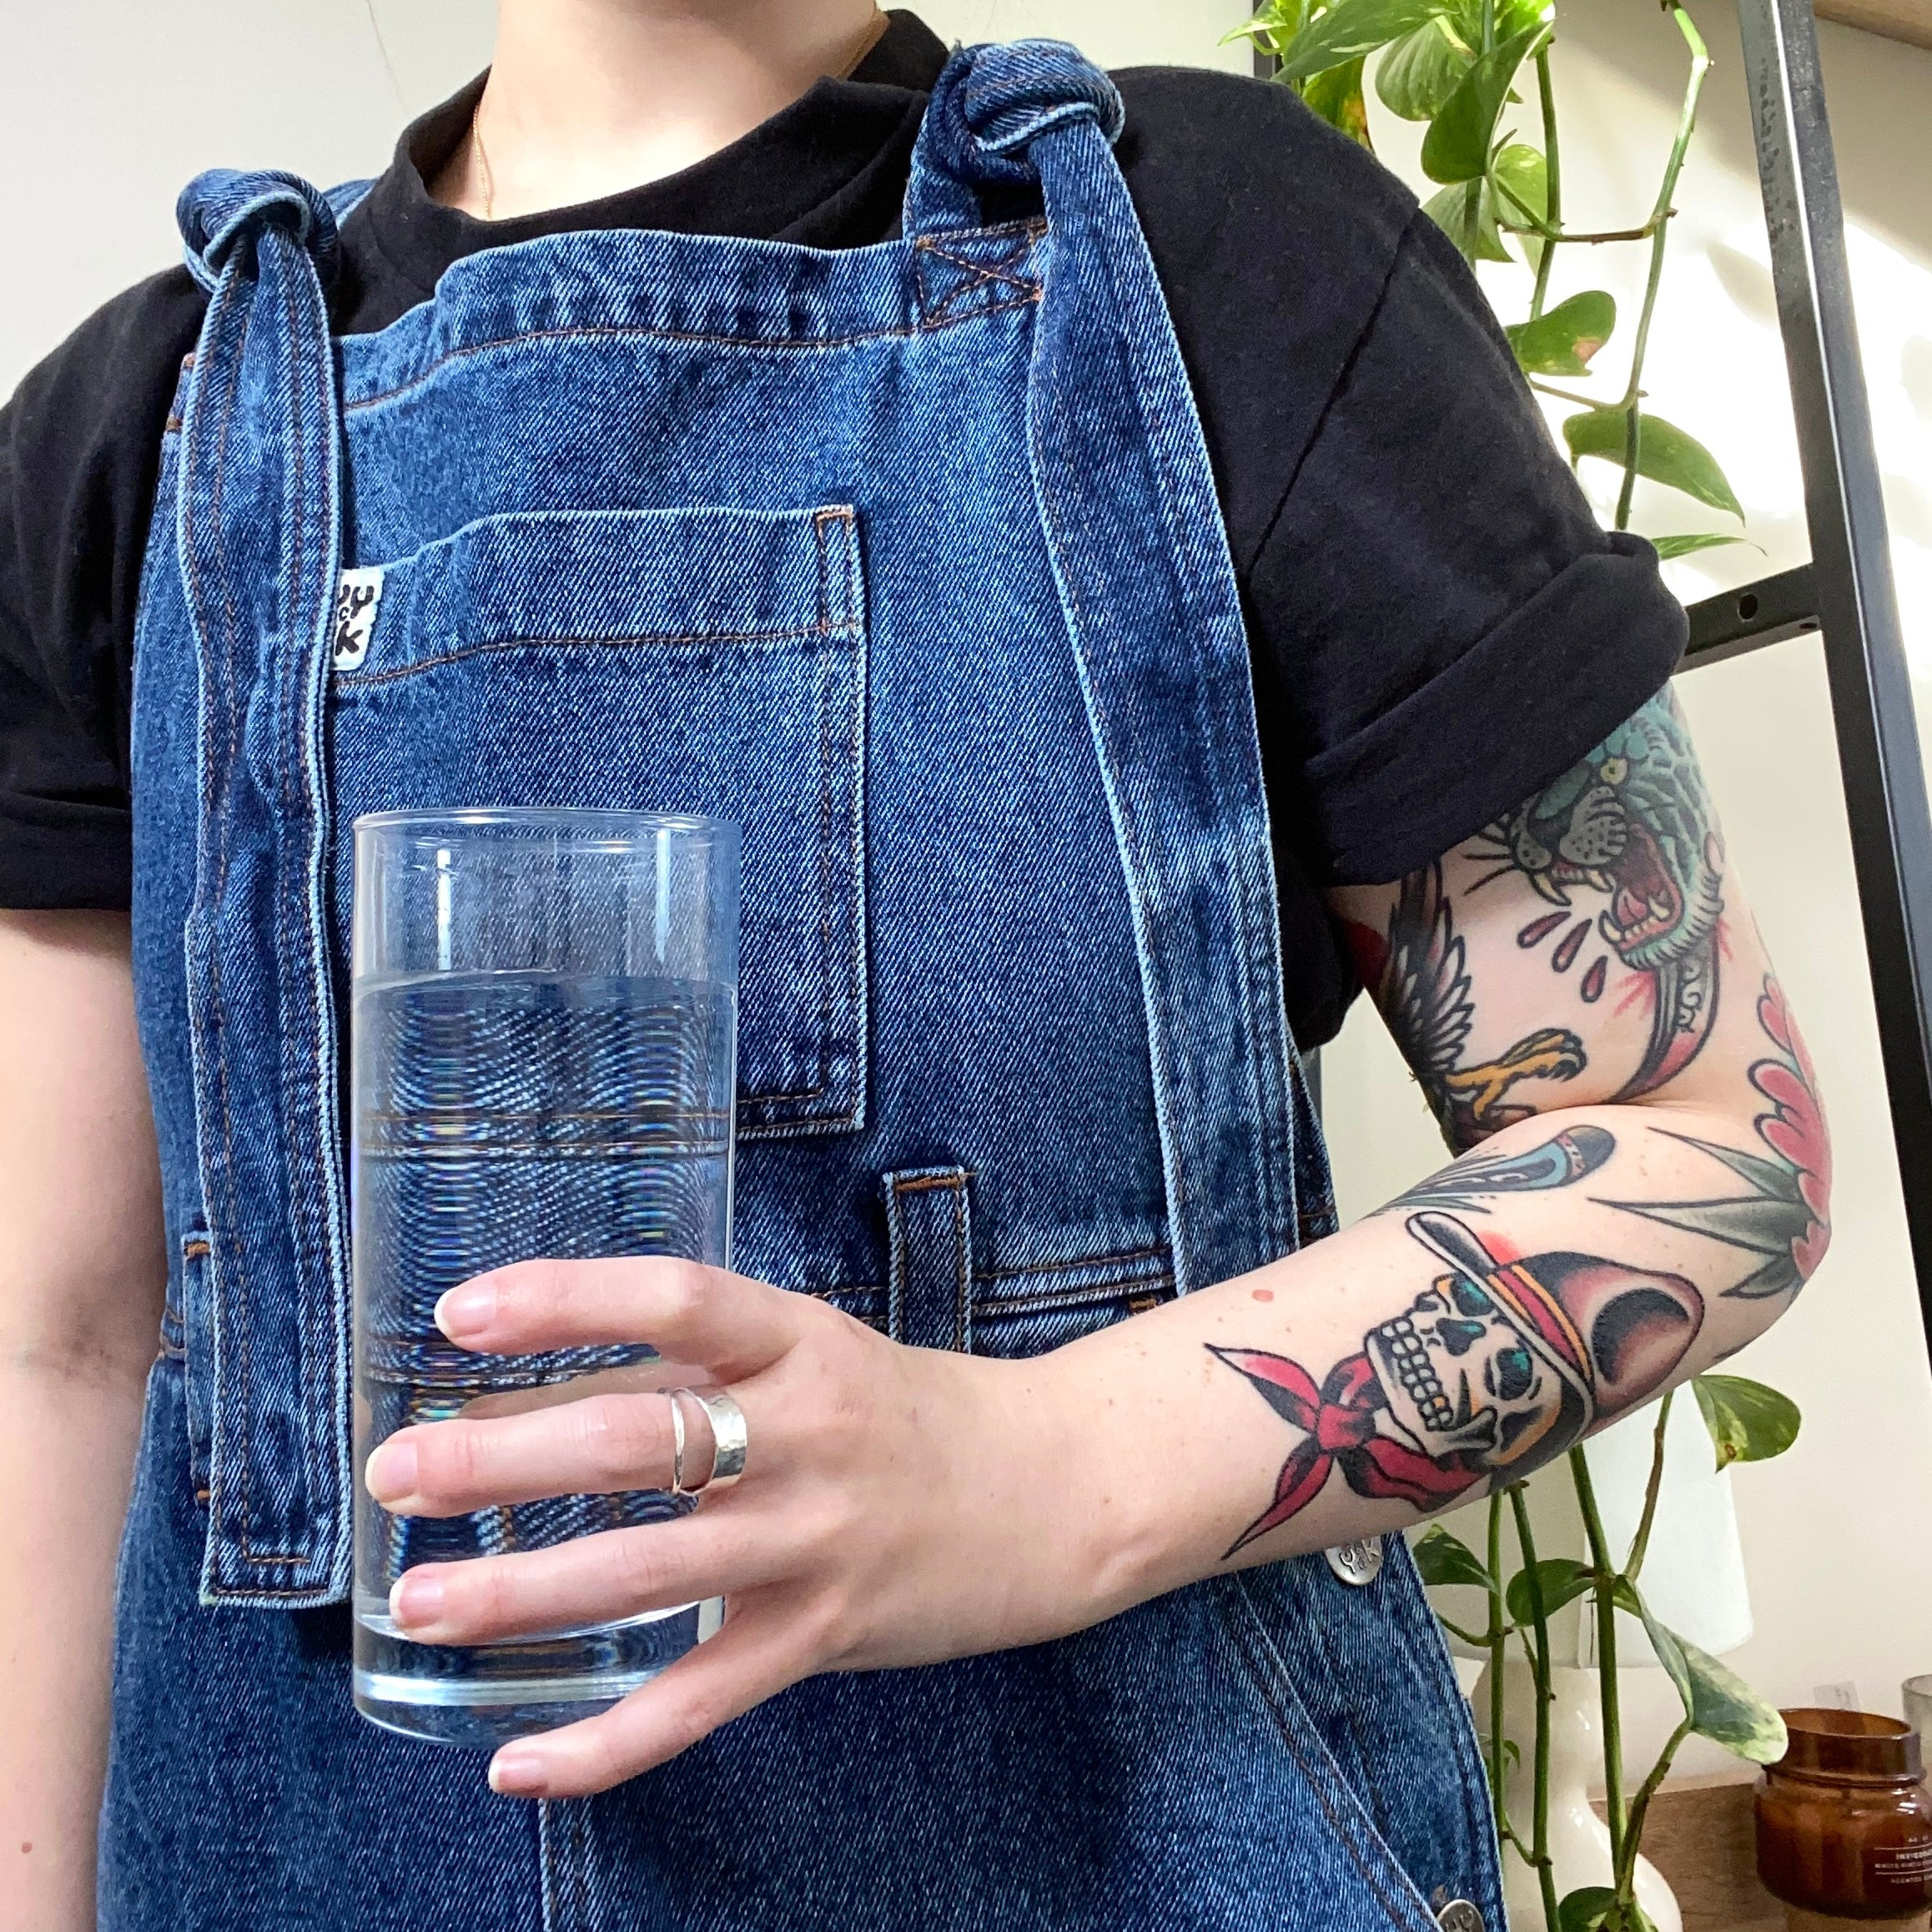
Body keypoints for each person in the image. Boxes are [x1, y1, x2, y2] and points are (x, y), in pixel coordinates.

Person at [0, 3, 1829, 1928]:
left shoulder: (1221, 257)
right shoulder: (130, 442)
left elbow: (1714, 1139)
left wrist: (1033, 1467)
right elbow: (63, 1348)